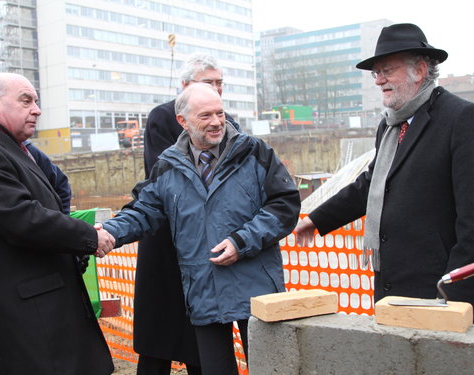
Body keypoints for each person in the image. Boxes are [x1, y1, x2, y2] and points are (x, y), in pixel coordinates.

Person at [100, 83, 300, 375]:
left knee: (268, 369)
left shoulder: (255, 153)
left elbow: (284, 205)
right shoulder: (168, 166)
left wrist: (241, 241)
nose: (217, 122)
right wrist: (110, 232)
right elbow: (143, 211)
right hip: (204, 291)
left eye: (220, 113)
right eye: (205, 116)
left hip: (257, 291)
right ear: (183, 121)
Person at [295, 23, 474, 306]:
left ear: (420, 70)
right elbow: (372, 184)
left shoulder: (460, 119)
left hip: (437, 289)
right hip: (390, 285)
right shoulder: (390, 125)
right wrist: (317, 219)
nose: (378, 80)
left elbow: (471, 220)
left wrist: (457, 298)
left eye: (387, 70)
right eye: (376, 72)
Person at [0, 72, 115, 375]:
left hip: (45, 305)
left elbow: (54, 193)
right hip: (29, 315)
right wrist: (86, 237)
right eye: (26, 100)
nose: (36, 109)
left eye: (36, 101)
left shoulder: (17, 149)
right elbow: (21, 217)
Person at [136, 54, 240, 375]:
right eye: (208, 82)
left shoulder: (226, 122)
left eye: (220, 83)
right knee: (160, 336)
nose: (216, 89)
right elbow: (167, 177)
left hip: (206, 250)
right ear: (185, 86)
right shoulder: (163, 117)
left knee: (204, 340)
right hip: (167, 244)